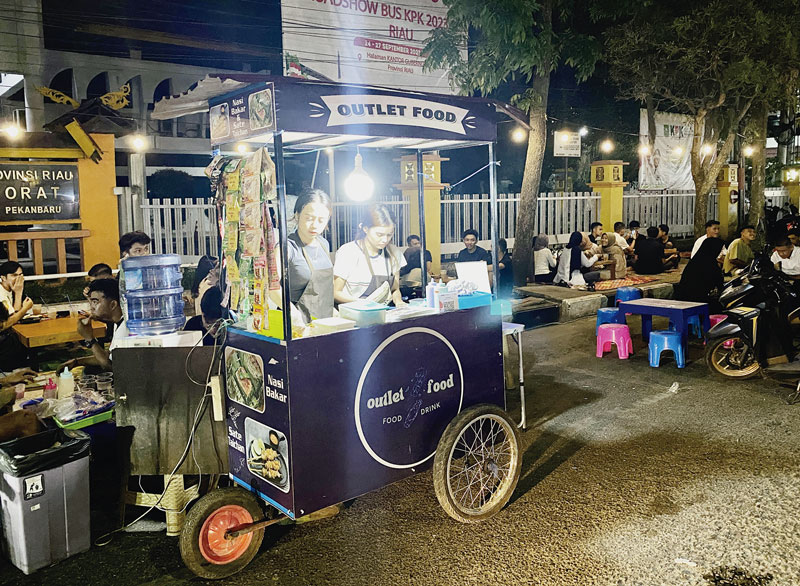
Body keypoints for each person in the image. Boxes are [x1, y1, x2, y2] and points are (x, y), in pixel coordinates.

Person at [334, 204, 406, 307]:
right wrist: (363, 303)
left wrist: (399, 302)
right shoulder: (348, 252)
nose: (385, 240)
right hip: (353, 313)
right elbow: (336, 293)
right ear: (365, 229)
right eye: (379, 235)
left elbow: (395, 289)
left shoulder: (393, 253)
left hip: (382, 312)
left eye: (389, 234)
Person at [284, 189, 335, 323]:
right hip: (296, 322)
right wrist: (293, 314)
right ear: (297, 215)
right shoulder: (288, 247)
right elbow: (273, 288)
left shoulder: (324, 244)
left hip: (324, 321)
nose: (315, 225)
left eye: (321, 220)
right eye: (309, 218)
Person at [60, 279, 126, 372]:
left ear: (113, 304)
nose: (91, 307)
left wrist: (90, 339)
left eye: (95, 301)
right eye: (90, 302)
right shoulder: (118, 322)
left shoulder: (126, 328)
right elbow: (110, 357)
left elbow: (111, 367)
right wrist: (77, 362)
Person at [675, 238, 725, 312]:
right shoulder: (710, 264)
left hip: (684, 299)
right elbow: (719, 284)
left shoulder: (695, 261)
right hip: (697, 302)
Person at [0, 261, 33, 331]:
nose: (18, 279)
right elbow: (10, 321)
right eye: (14, 275)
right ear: (3, 278)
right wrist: (25, 308)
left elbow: (15, 316)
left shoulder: (14, 289)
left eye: (20, 275)